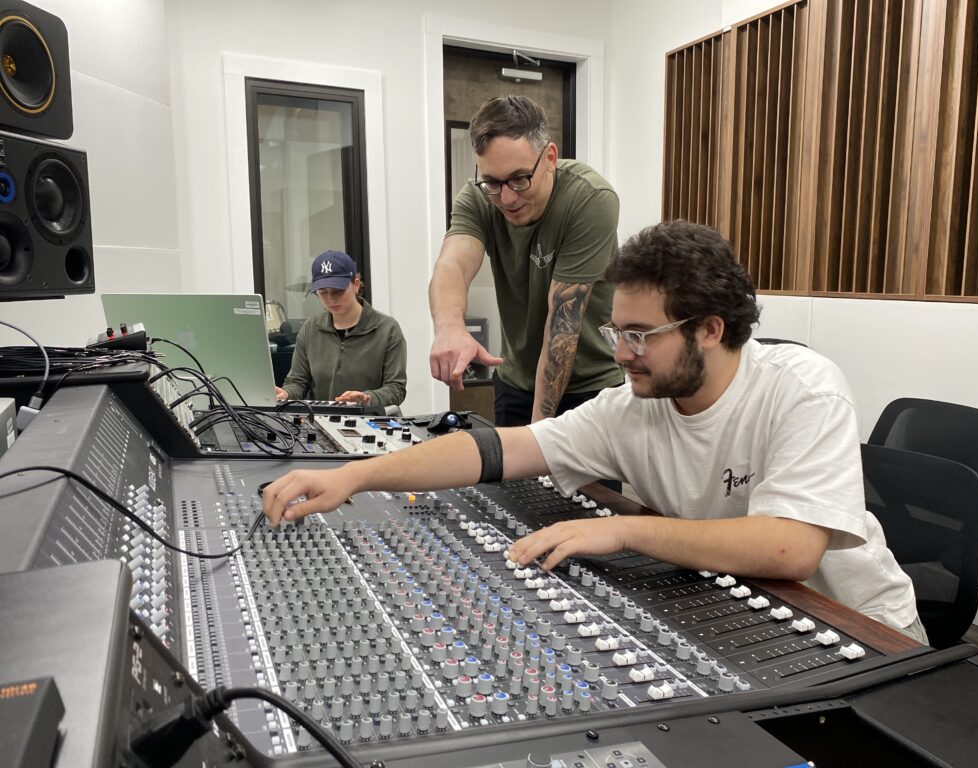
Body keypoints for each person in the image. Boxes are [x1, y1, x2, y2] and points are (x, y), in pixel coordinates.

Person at [262, 221, 923, 641]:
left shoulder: (803, 388)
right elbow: (500, 449)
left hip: (862, 634)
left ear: (710, 329)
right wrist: (357, 476)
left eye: (641, 335)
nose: (622, 352)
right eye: (616, 332)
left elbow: (790, 549)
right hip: (738, 609)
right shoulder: (633, 403)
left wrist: (624, 531)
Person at [429, 95, 623, 425]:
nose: (506, 198)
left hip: (590, 388)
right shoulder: (477, 197)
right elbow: (453, 264)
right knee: (511, 462)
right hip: (515, 382)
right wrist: (449, 328)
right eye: (492, 181)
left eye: (520, 178)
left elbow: (562, 327)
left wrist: (536, 434)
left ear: (549, 158)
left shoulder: (589, 198)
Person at [275, 250, 407, 407]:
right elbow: (298, 381)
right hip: (326, 418)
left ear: (356, 284)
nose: (331, 299)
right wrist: (286, 394)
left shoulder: (387, 329)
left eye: (338, 291)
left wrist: (367, 398)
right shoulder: (309, 330)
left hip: (374, 418)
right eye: (323, 292)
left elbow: (396, 389)